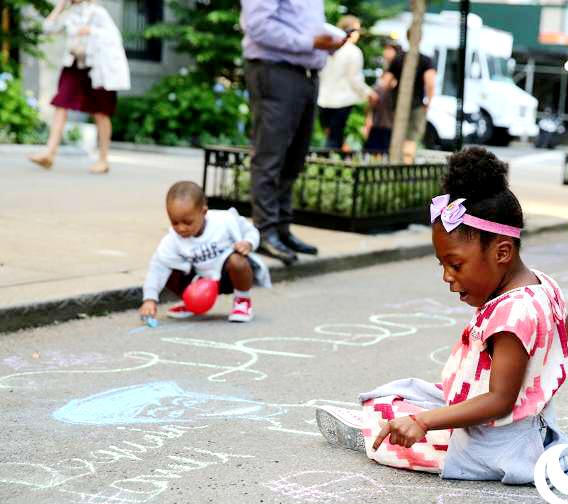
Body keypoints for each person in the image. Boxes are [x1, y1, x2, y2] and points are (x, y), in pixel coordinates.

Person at [314, 148, 568, 484]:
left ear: (502, 252)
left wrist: (425, 422)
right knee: (397, 397)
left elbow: (500, 401)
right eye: (442, 265)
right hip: (514, 418)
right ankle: (384, 422)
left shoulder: (514, 315)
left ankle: (371, 437)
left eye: (455, 265)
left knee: (404, 436)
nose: (447, 276)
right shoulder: (543, 286)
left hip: (498, 441)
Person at [240, 0, 345, 265]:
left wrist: (326, 43)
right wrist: (310, 42)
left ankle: (282, 228)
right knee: (270, 155)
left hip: (306, 73)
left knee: (294, 157)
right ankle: (264, 231)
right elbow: (258, 25)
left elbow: (303, 24)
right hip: (274, 70)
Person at [139, 181, 271, 323]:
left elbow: (250, 230)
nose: (181, 228)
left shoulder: (224, 221)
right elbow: (157, 267)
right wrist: (149, 299)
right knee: (165, 264)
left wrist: (248, 243)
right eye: (175, 222)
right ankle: (190, 303)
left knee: (237, 261)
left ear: (203, 212)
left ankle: (242, 301)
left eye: (187, 222)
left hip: (227, 277)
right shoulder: (172, 240)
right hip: (199, 279)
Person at [29, 0, 130, 174]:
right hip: (74, 65)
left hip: (97, 68)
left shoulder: (98, 13)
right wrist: (59, 7)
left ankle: (103, 159)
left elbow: (113, 37)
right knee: (60, 105)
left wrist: (91, 31)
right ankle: (49, 153)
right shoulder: (69, 13)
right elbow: (47, 29)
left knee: (100, 113)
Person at [317, 16, 374, 150]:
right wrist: (368, 93)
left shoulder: (327, 47)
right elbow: (355, 80)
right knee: (335, 138)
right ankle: (332, 166)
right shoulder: (353, 52)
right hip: (342, 101)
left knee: (329, 135)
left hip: (323, 99)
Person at [380, 29, 436, 163]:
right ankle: (406, 167)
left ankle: (395, 166)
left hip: (397, 105)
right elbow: (430, 83)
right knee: (410, 140)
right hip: (416, 105)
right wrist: (428, 101)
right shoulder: (425, 60)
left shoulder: (398, 58)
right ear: (420, 38)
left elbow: (385, 83)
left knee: (397, 137)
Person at [363, 41, 400, 153]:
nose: (386, 53)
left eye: (390, 49)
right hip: (377, 122)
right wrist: (368, 120)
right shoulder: (382, 72)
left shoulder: (398, 73)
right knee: (371, 152)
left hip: (390, 124)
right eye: (386, 49)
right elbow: (371, 102)